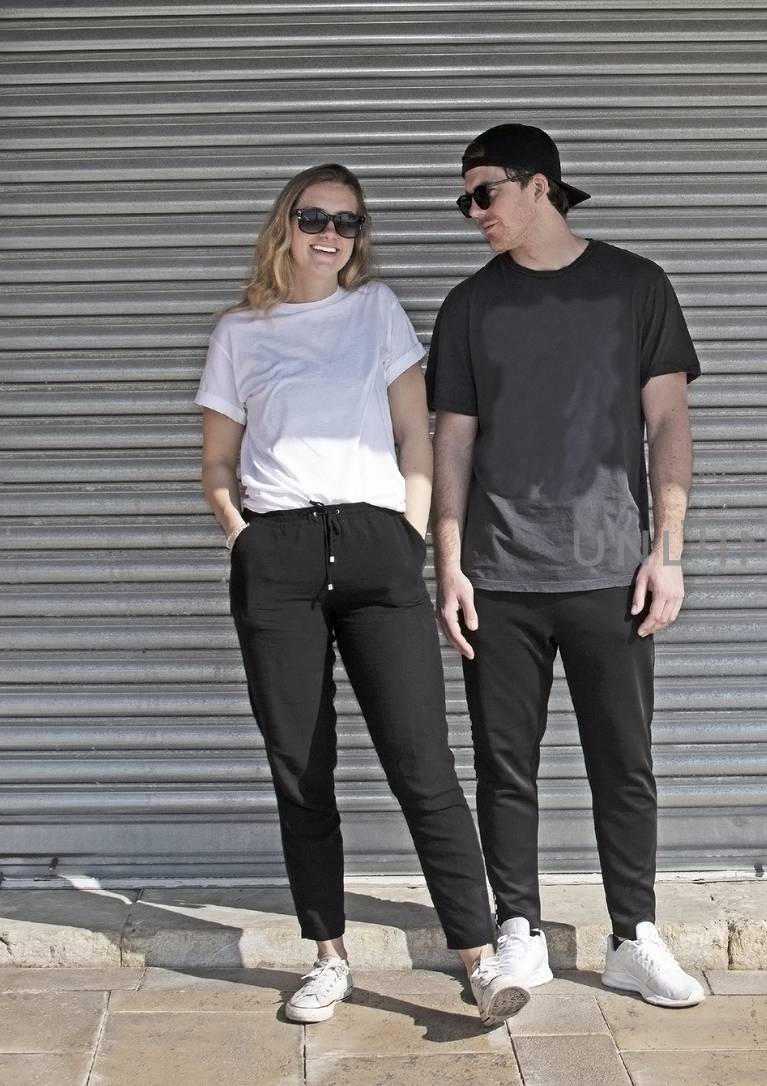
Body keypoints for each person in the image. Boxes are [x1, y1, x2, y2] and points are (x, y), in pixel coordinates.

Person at [196, 163, 532, 1027]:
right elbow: (217, 466)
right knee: (301, 769)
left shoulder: (377, 311)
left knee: (423, 764)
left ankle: (480, 958)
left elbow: (412, 435)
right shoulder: (240, 331)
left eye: (346, 223)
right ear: (285, 224)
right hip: (280, 554)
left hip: (378, 548)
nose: (330, 235)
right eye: (314, 217)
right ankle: (327, 957)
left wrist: (410, 534)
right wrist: (248, 538)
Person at [426, 124, 705, 1007]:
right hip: (500, 573)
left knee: (623, 761)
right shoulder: (470, 305)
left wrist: (667, 553)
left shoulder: (635, 286)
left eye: (484, 194)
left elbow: (668, 426)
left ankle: (635, 937)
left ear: (538, 186)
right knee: (506, 766)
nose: (473, 213)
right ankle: (520, 932)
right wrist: (448, 563)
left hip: (610, 568)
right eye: (466, 199)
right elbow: (453, 443)